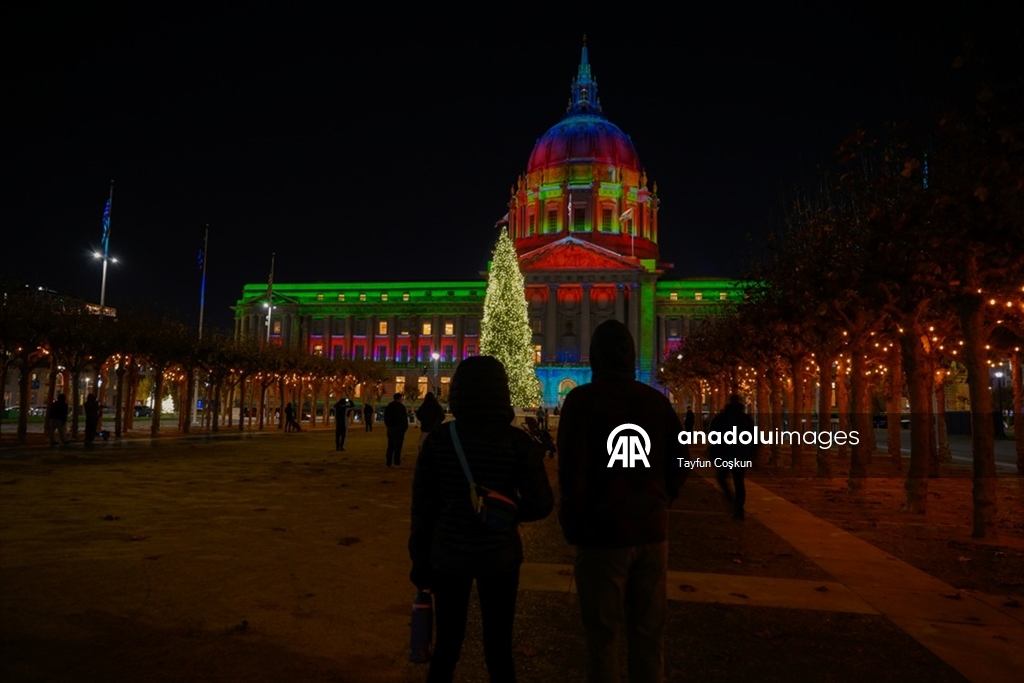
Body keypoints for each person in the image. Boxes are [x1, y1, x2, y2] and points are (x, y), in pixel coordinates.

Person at [557, 320, 687, 683]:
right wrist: (661, 500)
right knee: (648, 637)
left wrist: (574, 523)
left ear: (595, 357)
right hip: (650, 533)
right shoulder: (655, 402)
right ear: (631, 356)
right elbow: (682, 461)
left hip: (602, 535)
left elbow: (572, 473)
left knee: (603, 638)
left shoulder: (581, 402)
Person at [409, 356, 553, 683]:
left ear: (458, 391)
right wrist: (507, 512)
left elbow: (422, 508)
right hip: (499, 556)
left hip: (448, 554)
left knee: (446, 647)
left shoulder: (439, 441)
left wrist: (420, 560)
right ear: (501, 392)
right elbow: (542, 503)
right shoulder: (517, 442)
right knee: (499, 649)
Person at [709, 394, 756, 521]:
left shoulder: (722, 418)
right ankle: (738, 508)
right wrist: (751, 454)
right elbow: (753, 438)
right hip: (741, 455)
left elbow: (713, 436)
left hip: (725, 454)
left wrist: (713, 453)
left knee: (721, 478)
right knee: (739, 482)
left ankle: (732, 502)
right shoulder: (746, 418)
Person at [383, 393, 409, 467]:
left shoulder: (389, 407)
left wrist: (388, 425)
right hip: (399, 429)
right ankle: (396, 461)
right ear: (399, 398)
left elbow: (386, 417)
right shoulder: (401, 407)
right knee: (398, 446)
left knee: (390, 445)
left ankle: (389, 461)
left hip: (391, 428)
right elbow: (404, 419)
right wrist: (404, 428)